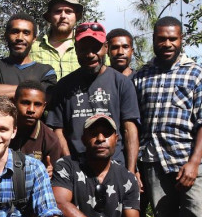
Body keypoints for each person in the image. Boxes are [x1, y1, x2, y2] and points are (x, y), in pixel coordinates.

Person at [133, 17, 202, 217]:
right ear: (153, 40)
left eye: (172, 39)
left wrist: (194, 163)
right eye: (161, 39)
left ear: (181, 40)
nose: (167, 44)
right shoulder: (141, 76)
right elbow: (134, 125)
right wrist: (136, 168)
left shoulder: (196, 74)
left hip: (188, 162)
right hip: (153, 164)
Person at [45, 21, 141, 172]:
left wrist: (131, 171)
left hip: (115, 168)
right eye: (84, 49)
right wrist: (70, 166)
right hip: (77, 168)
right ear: (76, 50)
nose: (90, 55)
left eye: (95, 48)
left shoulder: (122, 83)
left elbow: (130, 129)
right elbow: (58, 130)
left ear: (105, 48)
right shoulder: (64, 86)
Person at [0, 14, 57, 105]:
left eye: (26, 33)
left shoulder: (46, 71)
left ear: (34, 39)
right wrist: (32, 91)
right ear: (6, 35)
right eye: (15, 32)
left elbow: (48, 97)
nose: (20, 38)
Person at [11, 81, 64, 175]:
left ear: (44, 107)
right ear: (14, 102)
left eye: (37, 104)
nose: (31, 109)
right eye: (25, 103)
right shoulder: (2, 130)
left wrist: (49, 175)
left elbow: (55, 178)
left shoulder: (51, 140)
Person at [30, 0, 82, 80]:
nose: (63, 16)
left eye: (68, 11)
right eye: (58, 11)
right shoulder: (33, 48)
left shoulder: (86, 47)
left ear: (76, 16)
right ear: (50, 16)